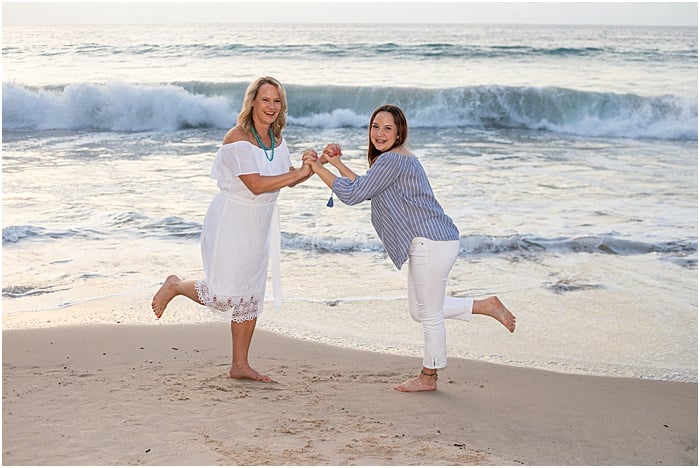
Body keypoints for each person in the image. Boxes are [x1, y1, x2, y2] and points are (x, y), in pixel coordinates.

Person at [304, 104, 516, 392]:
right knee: (420, 311)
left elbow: (354, 195)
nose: (379, 133)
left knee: (428, 315)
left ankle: (429, 376)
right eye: (375, 126)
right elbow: (367, 187)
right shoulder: (395, 159)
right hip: (435, 240)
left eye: (387, 128)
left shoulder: (392, 160)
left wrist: (316, 168)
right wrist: (338, 164)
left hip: (432, 242)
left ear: (399, 131)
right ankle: (484, 305)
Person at [152, 76, 318, 382]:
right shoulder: (237, 138)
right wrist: (297, 174)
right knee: (223, 295)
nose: (271, 106)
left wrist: (310, 168)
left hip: (261, 223)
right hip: (232, 220)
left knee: (250, 294)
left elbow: (285, 177)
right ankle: (175, 285)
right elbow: (255, 185)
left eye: (277, 101)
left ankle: (239, 364)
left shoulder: (278, 141)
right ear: (252, 101)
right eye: (265, 99)